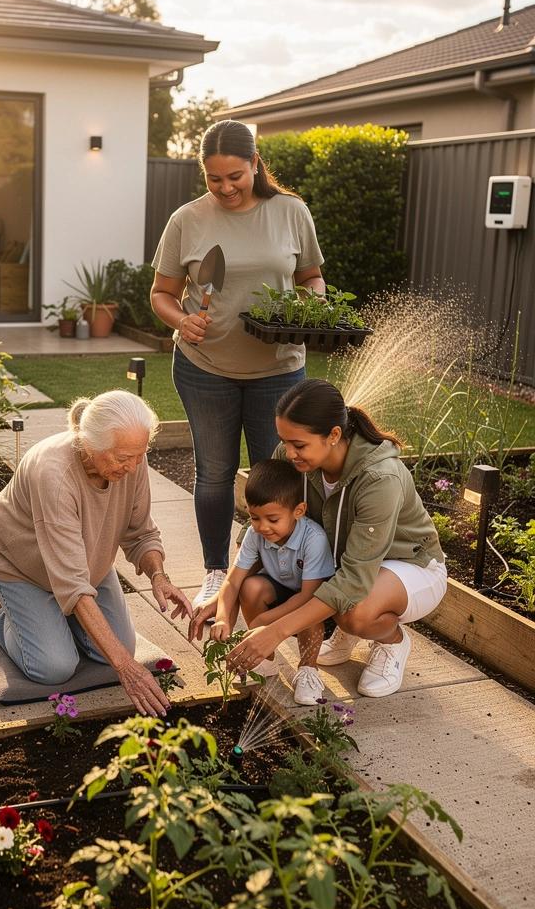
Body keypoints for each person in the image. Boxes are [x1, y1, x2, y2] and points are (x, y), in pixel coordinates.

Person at [150, 119, 325, 611]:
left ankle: (269, 572)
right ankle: (213, 572)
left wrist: (311, 307)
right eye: (214, 179)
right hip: (205, 367)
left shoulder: (291, 211)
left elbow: (312, 278)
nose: (225, 188)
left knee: (275, 476)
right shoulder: (187, 220)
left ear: (254, 164)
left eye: (234, 176)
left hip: (279, 368)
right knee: (214, 472)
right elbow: (161, 293)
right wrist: (182, 321)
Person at [224, 379, 448, 699]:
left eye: (299, 445)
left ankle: (391, 642)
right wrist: (226, 595)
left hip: (410, 565)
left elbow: (355, 580)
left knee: (355, 611)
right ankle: (346, 629)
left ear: (333, 435)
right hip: (351, 563)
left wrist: (275, 631)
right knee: (271, 581)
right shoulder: (292, 456)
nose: (288, 453)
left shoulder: (379, 477)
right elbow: (262, 521)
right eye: (284, 441)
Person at [0, 390, 193, 717]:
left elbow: (140, 531)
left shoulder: (131, 457)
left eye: (140, 455)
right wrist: (126, 669)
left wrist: (159, 575)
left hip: (88, 561)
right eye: (123, 458)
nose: (132, 467)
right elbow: (73, 585)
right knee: (54, 667)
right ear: (91, 443)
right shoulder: (54, 474)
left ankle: (54, 618)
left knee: (116, 648)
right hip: (22, 566)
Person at [191, 459, 335, 704]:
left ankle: (308, 670)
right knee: (251, 587)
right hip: (280, 590)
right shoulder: (254, 534)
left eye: (272, 519)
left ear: (298, 511)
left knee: (309, 616)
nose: (262, 527)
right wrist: (225, 617)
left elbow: (309, 596)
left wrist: (262, 622)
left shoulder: (313, 539)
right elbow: (233, 582)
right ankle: (264, 659)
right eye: (254, 517)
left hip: (313, 602)